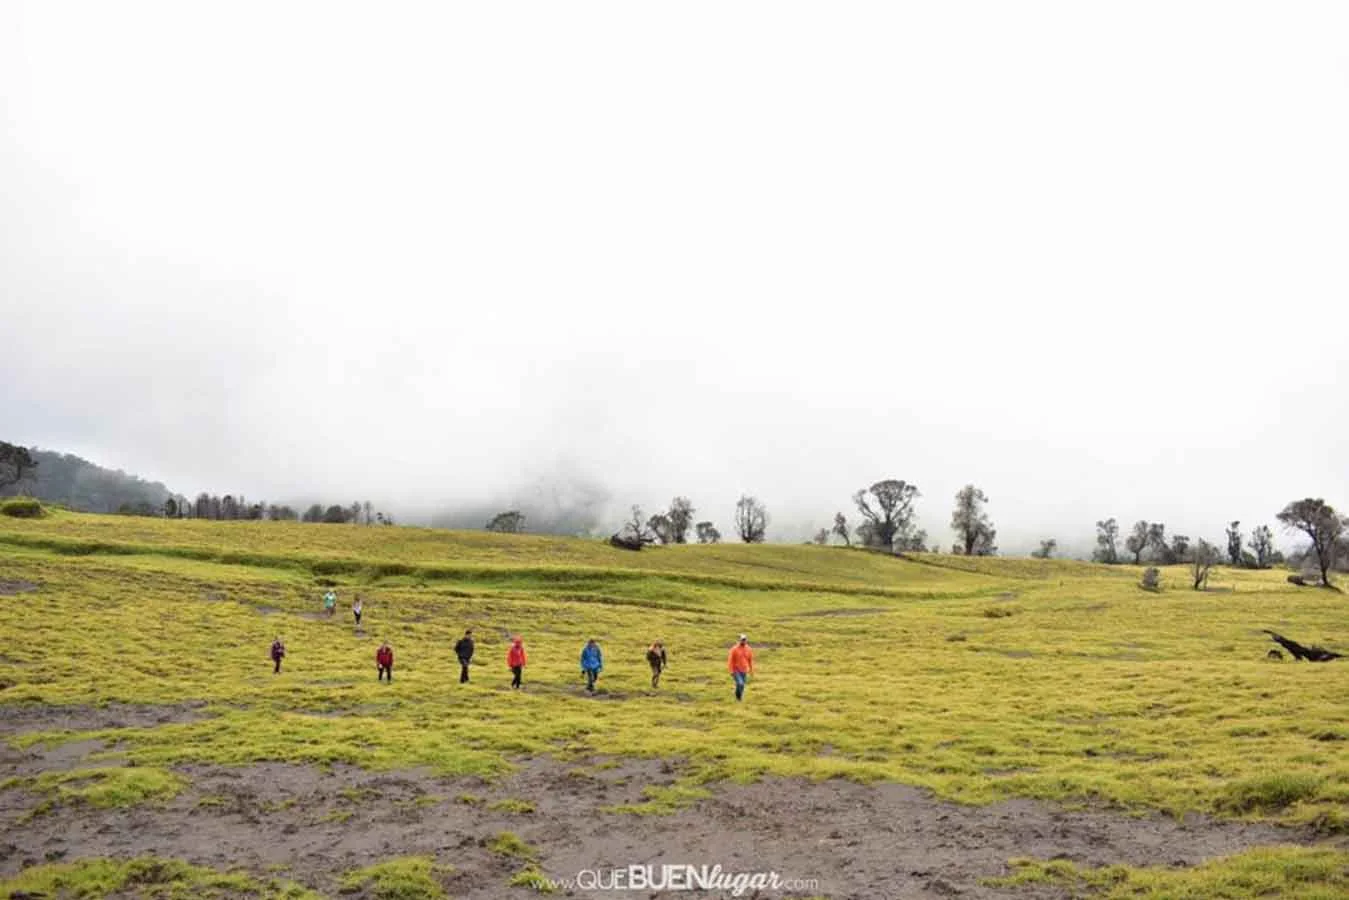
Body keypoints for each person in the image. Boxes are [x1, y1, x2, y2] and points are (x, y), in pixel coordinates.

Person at [727, 634, 754, 702]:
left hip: (744, 670)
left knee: (742, 685)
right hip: (736, 670)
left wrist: (751, 670)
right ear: (739, 640)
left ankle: (738, 696)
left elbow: (750, 660)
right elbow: (730, 660)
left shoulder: (749, 649)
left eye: (744, 640)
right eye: (742, 640)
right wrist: (731, 670)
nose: (743, 641)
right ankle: (739, 697)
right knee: (740, 683)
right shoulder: (734, 649)